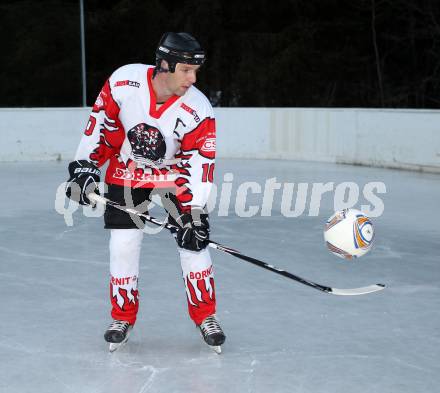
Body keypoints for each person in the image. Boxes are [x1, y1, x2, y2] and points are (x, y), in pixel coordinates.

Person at [65, 32, 225, 353]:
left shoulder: (199, 109)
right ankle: (122, 316)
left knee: (193, 245)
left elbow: (199, 162)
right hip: (127, 171)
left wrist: (194, 212)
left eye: (196, 71)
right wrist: (84, 167)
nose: (193, 79)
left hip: (174, 177)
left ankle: (206, 315)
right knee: (123, 243)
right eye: (185, 70)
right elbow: (100, 125)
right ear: (164, 65)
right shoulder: (124, 83)